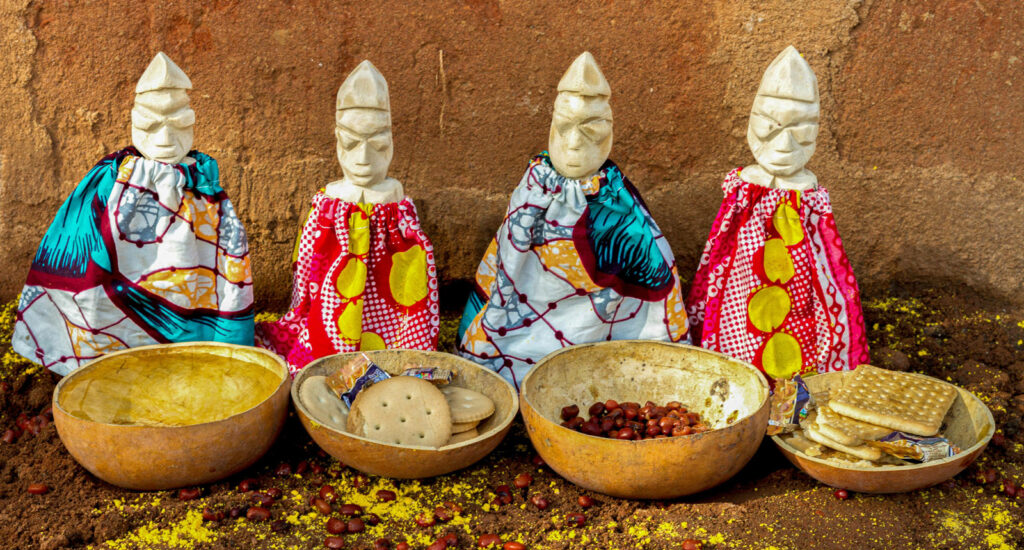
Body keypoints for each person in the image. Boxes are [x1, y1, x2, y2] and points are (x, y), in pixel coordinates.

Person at [13, 52, 254, 375]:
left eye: (179, 124)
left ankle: (191, 353)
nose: (166, 139)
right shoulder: (111, 180)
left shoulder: (203, 185)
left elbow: (225, 257)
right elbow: (82, 244)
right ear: (133, 121)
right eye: (151, 124)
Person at [458, 52, 689, 388]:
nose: (574, 143)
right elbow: (508, 264)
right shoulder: (533, 191)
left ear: (609, 132)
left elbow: (652, 272)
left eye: (591, 129)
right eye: (564, 127)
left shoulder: (617, 203)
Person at [686, 46, 869, 380]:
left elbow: (825, 261)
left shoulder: (807, 191)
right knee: (734, 310)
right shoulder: (745, 185)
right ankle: (733, 372)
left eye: (799, 131)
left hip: (794, 279)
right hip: (744, 276)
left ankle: (794, 387)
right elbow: (721, 253)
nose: (784, 146)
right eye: (771, 126)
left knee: (801, 314)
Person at [257, 61, 438, 373]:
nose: (364, 159)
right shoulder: (328, 206)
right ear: (336, 138)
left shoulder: (397, 205)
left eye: (378, 144)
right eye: (351, 143)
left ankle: (395, 350)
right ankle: (330, 348)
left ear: (392, 141)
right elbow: (309, 277)